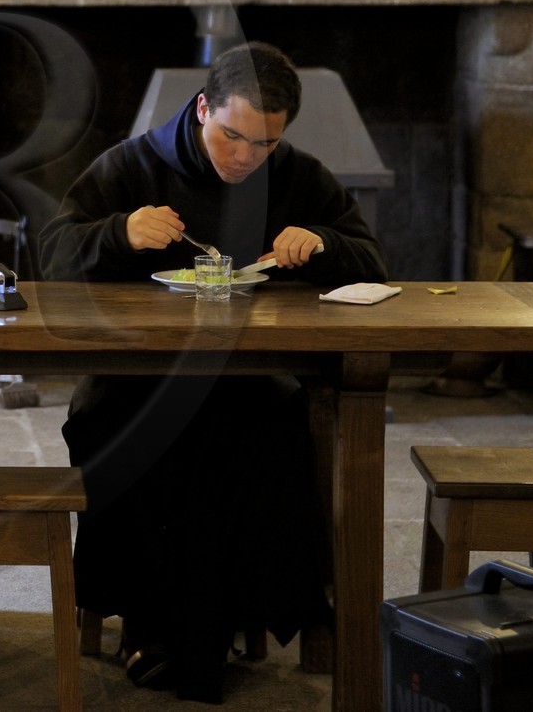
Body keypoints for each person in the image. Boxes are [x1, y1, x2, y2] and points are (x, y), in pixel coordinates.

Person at [39, 41, 389, 703]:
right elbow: (49, 256)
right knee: (129, 429)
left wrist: (323, 245)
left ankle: (211, 624)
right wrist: (118, 233)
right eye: (233, 136)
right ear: (203, 109)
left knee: (267, 430)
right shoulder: (133, 165)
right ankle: (166, 627)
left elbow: (372, 259)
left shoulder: (296, 175)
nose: (245, 158)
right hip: (136, 380)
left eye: (264, 145)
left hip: (248, 379)